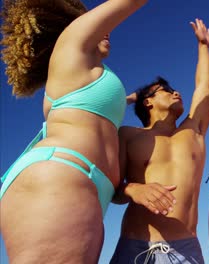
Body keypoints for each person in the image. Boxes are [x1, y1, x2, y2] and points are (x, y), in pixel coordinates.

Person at [0, 0, 147, 262]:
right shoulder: (71, 42)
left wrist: (136, 97)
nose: (106, 29)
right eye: (95, 22)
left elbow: (95, 107)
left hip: (89, 186)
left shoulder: (85, 75)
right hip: (61, 176)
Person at [110, 18, 209, 264]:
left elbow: (204, 87)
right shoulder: (128, 134)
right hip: (135, 246)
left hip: (185, 250)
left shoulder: (193, 129)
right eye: (166, 90)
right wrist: (134, 188)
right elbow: (111, 191)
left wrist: (203, 46)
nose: (176, 92)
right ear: (148, 102)